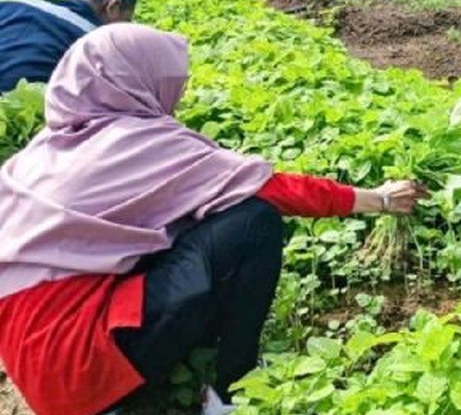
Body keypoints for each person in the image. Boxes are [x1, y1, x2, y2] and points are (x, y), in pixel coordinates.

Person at [0, 24, 429, 415]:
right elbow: (269, 190)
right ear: (133, 81)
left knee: (192, 227)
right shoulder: (136, 143)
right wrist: (380, 200)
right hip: (80, 364)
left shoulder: (42, 154)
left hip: (32, 358)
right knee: (251, 222)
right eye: (169, 84)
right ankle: (232, 390)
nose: (176, 98)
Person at [0, 0, 136, 93]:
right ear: (113, 7)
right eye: (125, 21)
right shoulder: (98, 45)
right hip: (30, 110)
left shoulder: (11, 5)